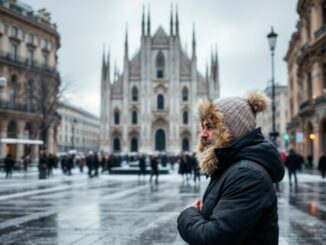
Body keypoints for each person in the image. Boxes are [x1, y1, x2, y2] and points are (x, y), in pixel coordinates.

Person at [177, 92, 284, 244]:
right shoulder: (230, 168)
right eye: (202, 127)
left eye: (210, 126)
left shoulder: (247, 175)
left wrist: (188, 214)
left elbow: (214, 238)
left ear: (231, 130)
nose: (202, 134)